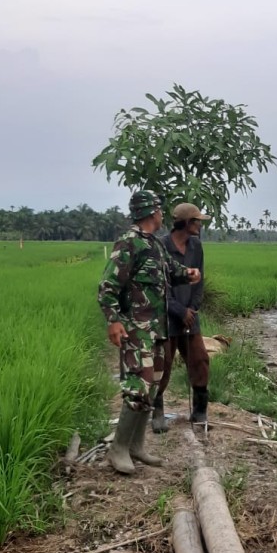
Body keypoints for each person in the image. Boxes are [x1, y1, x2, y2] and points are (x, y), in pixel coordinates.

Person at [97, 189, 200, 475]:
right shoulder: (129, 242)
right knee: (137, 388)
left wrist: (187, 273)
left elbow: (168, 269)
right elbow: (107, 286)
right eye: (158, 210)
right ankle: (117, 449)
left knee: (152, 385)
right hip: (136, 331)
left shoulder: (154, 244)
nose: (162, 214)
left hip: (157, 329)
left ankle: (136, 446)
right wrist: (113, 320)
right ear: (151, 212)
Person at [153, 202, 211, 433]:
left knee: (200, 359)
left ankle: (199, 411)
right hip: (166, 318)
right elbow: (158, 288)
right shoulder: (160, 246)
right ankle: (157, 413)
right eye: (197, 221)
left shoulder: (196, 246)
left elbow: (199, 280)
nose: (200, 225)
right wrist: (179, 310)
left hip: (190, 315)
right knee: (163, 364)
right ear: (186, 223)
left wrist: (192, 309)